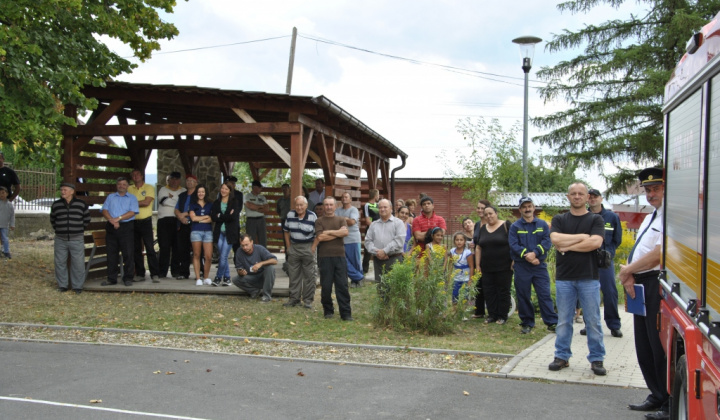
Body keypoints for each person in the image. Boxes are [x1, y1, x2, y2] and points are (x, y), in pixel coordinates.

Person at [619, 168, 669, 419]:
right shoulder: (653, 216)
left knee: (658, 344)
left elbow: (660, 254)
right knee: (644, 343)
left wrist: (628, 269)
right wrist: (629, 273)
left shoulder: (671, 216)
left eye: (656, 189)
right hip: (640, 282)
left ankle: (668, 401)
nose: (650, 194)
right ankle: (656, 394)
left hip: (655, 284)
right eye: (647, 190)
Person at [548, 182, 606, 376]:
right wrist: (582, 237)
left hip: (589, 277)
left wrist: (568, 246)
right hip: (565, 278)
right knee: (564, 320)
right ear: (568, 197)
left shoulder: (596, 220)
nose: (577, 196)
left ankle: (597, 359)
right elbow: (555, 239)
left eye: (581, 194)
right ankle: (561, 356)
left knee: (593, 321)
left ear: (587, 197)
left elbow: (595, 242)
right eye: (573, 193)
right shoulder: (559, 219)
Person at [509, 197, 558, 334]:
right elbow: (513, 245)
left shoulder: (542, 224)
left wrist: (535, 254)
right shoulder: (515, 226)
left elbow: (547, 242)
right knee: (523, 295)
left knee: (544, 294)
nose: (527, 209)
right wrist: (528, 257)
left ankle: (552, 323)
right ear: (520, 209)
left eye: (529, 206)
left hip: (539, 266)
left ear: (534, 207)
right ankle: (527, 323)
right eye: (524, 207)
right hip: (522, 266)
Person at [580, 188, 623, 338]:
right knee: (588, 293)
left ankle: (614, 325)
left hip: (604, 260)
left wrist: (608, 252)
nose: (592, 199)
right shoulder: (584, 216)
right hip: (587, 260)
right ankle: (589, 324)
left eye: (595, 197)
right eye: (590, 197)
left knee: (610, 292)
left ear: (601, 198)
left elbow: (617, 239)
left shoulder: (611, 217)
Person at [313, 197, 352, 321]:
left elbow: (345, 233)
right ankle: (328, 311)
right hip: (324, 257)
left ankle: (346, 313)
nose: (328, 207)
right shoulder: (319, 221)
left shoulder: (341, 219)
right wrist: (336, 233)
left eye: (331, 205)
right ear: (324, 207)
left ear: (335, 206)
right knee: (326, 286)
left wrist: (328, 232)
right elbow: (320, 237)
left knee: (342, 285)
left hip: (339, 256)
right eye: (326, 205)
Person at [475, 206, 513, 325]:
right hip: (486, 267)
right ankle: (492, 315)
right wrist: (477, 265)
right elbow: (478, 247)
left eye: (491, 213)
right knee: (489, 291)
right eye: (486, 215)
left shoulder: (506, 225)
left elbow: (514, 243)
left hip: (504, 266)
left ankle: (502, 316)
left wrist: (514, 260)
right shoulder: (483, 229)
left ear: (496, 213)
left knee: (503, 291)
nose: (488, 216)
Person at [50, 182, 90, 293]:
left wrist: (77, 229)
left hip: (76, 238)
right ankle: (62, 285)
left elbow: (86, 219)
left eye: (65, 190)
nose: (62, 192)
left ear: (72, 191)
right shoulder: (56, 204)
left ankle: (78, 286)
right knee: (59, 262)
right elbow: (53, 219)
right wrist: (60, 229)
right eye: (61, 190)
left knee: (78, 263)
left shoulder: (81, 204)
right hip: (60, 239)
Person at [101, 177, 139, 287]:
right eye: (119, 184)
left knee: (128, 253)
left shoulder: (132, 198)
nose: (121, 186)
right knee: (111, 253)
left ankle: (128, 278)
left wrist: (118, 218)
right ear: (116, 185)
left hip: (126, 227)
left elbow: (132, 212)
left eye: (124, 184)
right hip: (111, 226)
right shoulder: (110, 197)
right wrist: (112, 220)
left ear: (127, 186)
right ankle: (111, 278)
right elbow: (104, 210)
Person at [364, 199, 406, 297]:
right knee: (381, 288)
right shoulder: (373, 224)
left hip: (394, 259)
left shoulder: (398, 223)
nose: (382, 209)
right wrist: (377, 253)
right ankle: (383, 310)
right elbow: (368, 241)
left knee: (395, 289)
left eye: (385, 207)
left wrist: (385, 251)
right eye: (380, 207)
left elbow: (399, 241)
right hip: (378, 260)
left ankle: (393, 311)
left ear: (391, 208)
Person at [283, 196, 317, 309]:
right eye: (297, 205)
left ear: (306, 206)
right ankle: (294, 299)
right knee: (293, 274)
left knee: (309, 275)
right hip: (294, 247)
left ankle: (307, 300)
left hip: (308, 247)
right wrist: (288, 247)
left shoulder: (312, 216)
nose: (299, 207)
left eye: (301, 205)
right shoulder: (290, 215)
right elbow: (286, 231)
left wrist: (313, 248)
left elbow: (317, 234)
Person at [128, 169, 160, 283]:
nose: (136, 176)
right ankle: (140, 274)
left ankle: (154, 274)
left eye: (137, 174)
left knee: (150, 247)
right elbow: (127, 204)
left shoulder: (149, 187)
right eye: (133, 175)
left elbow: (146, 203)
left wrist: (131, 203)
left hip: (146, 222)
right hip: (132, 222)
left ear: (142, 176)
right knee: (136, 249)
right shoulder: (129, 189)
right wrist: (138, 202)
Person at [157, 171, 186, 279]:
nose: (174, 181)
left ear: (179, 180)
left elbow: (182, 205)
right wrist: (176, 202)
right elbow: (163, 201)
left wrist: (171, 199)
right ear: (168, 180)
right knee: (164, 247)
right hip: (163, 221)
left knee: (177, 247)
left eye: (176, 179)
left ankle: (175, 271)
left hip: (177, 220)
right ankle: (162, 271)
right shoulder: (163, 189)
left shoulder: (183, 191)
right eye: (172, 179)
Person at [232, 233, 277, 303]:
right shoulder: (239, 252)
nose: (244, 248)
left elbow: (274, 260)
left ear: (252, 242)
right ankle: (254, 291)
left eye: (246, 245)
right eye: (242, 245)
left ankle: (266, 296)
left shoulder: (259, 249)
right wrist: (241, 272)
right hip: (251, 277)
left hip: (263, 277)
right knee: (235, 279)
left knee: (270, 268)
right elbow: (239, 268)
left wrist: (261, 263)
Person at [211, 182, 240, 287]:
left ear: (230, 191)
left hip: (229, 233)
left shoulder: (234, 202)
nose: (223, 190)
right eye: (222, 188)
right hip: (219, 233)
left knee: (223, 256)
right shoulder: (216, 202)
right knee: (222, 256)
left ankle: (218, 277)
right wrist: (226, 215)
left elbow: (233, 217)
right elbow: (214, 217)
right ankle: (227, 278)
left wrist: (221, 216)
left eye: (226, 189)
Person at [336, 192, 364, 287]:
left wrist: (341, 219)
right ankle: (358, 277)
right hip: (341, 239)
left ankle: (355, 281)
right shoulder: (338, 210)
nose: (344, 198)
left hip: (353, 239)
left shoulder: (354, 210)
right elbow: (334, 222)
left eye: (346, 197)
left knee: (355, 260)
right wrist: (345, 219)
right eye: (343, 197)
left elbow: (352, 222)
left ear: (350, 200)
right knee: (344, 261)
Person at [173, 175, 198, 280]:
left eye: (192, 181)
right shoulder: (182, 195)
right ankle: (184, 272)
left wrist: (185, 214)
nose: (189, 182)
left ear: (196, 183)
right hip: (182, 224)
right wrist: (180, 217)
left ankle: (199, 272)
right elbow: (176, 209)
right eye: (188, 180)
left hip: (194, 225)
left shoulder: (198, 195)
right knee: (182, 249)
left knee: (197, 250)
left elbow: (198, 209)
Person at [189, 184, 214, 286]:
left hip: (208, 232)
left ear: (205, 193)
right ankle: (198, 278)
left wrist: (199, 219)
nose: (201, 193)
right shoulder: (193, 204)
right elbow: (193, 218)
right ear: (196, 193)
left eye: (202, 192)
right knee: (196, 255)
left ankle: (206, 277)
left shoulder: (210, 204)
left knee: (208, 256)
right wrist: (205, 218)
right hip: (196, 232)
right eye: (199, 192)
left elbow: (211, 219)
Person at [472, 199, 492, 319]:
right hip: (477, 258)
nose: (479, 210)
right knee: (478, 284)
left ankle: (492, 311)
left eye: (482, 208)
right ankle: (479, 311)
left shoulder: (491, 224)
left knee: (488, 285)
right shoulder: (476, 225)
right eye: (478, 208)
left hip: (489, 258)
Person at [447, 232, 474, 304]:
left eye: (461, 240)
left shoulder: (467, 252)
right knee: (455, 297)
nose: (459, 242)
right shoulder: (452, 251)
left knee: (464, 298)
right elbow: (450, 264)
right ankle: (455, 313)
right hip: (456, 278)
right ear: (454, 241)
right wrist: (449, 277)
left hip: (465, 278)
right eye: (457, 240)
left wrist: (470, 280)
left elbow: (471, 266)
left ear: (464, 241)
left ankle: (463, 313)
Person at [361, 188, 381, 274]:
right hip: (371, 229)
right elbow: (368, 220)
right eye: (378, 195)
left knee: (380, 247)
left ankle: (380, 268)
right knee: (367, 249)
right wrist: (375, 227)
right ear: (375, 196)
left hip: (380, 229)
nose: (379, 197)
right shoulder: (367, 205)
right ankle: (365, 269)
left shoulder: (379, 205)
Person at [244, 180, 269, 246]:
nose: (261, 189)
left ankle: (263, 255)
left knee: (263, 239)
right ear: (255, 187)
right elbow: (250, 206)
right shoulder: (247, 196)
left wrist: (255, 207)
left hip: (261, 219)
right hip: (251, 220)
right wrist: (261, 206)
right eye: (259, 187)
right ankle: (251, 255)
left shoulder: (262, 197)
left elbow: (266, 209)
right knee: (250, 238)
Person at [276, 183, 292, 274]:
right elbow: (278, 211)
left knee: (292, 240)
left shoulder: (292, 199)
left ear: (289, 189)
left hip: (291, 221)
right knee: (286, 241)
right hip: (283, 220)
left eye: (286, 188)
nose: (285, 190)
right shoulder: (280, 201)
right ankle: (287, 260)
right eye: (283, 189)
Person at [0, 186, 15, 259]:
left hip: (5, 225)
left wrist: (12, 224)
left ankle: (6, 251)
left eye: (3, 193)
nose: (1, 195)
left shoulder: (9, 204)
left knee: (5, 238)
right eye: (0, 193)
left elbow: (12, 215)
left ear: (7, 194)